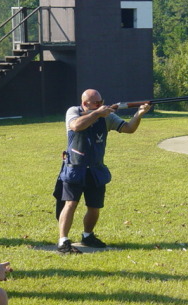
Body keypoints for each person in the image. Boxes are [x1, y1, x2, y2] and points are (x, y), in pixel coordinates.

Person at [54, 89, 151, 254]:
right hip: (75, 168)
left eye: (101, 101)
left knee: (94, 206)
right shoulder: (74, 111)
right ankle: (63, 241)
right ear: (85, 104)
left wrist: (139, 114)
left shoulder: (107, 116)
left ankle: (88, 236)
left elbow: (128, 128)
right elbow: (76, 126)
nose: (101, 105)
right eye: (97, 103)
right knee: (70, 204)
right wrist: (98, 113)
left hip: (96, 169)